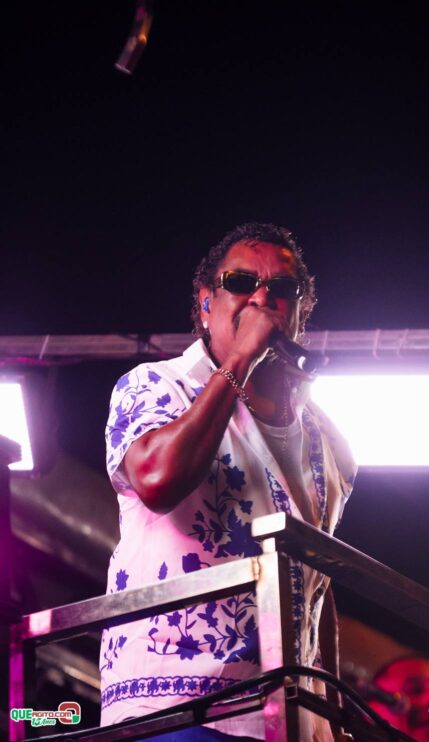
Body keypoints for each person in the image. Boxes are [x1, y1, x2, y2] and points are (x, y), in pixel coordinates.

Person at [99, 222, 356, 741]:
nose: (262, 298)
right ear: (205, 303)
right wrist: (241, 358)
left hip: (287, 720)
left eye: (282, 289)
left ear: (302, 310)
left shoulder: (328, 438)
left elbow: (318, 584)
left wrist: (331, 715)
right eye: (241, 283)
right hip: (176, 708)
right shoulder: (158, 386)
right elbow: (157, 479)